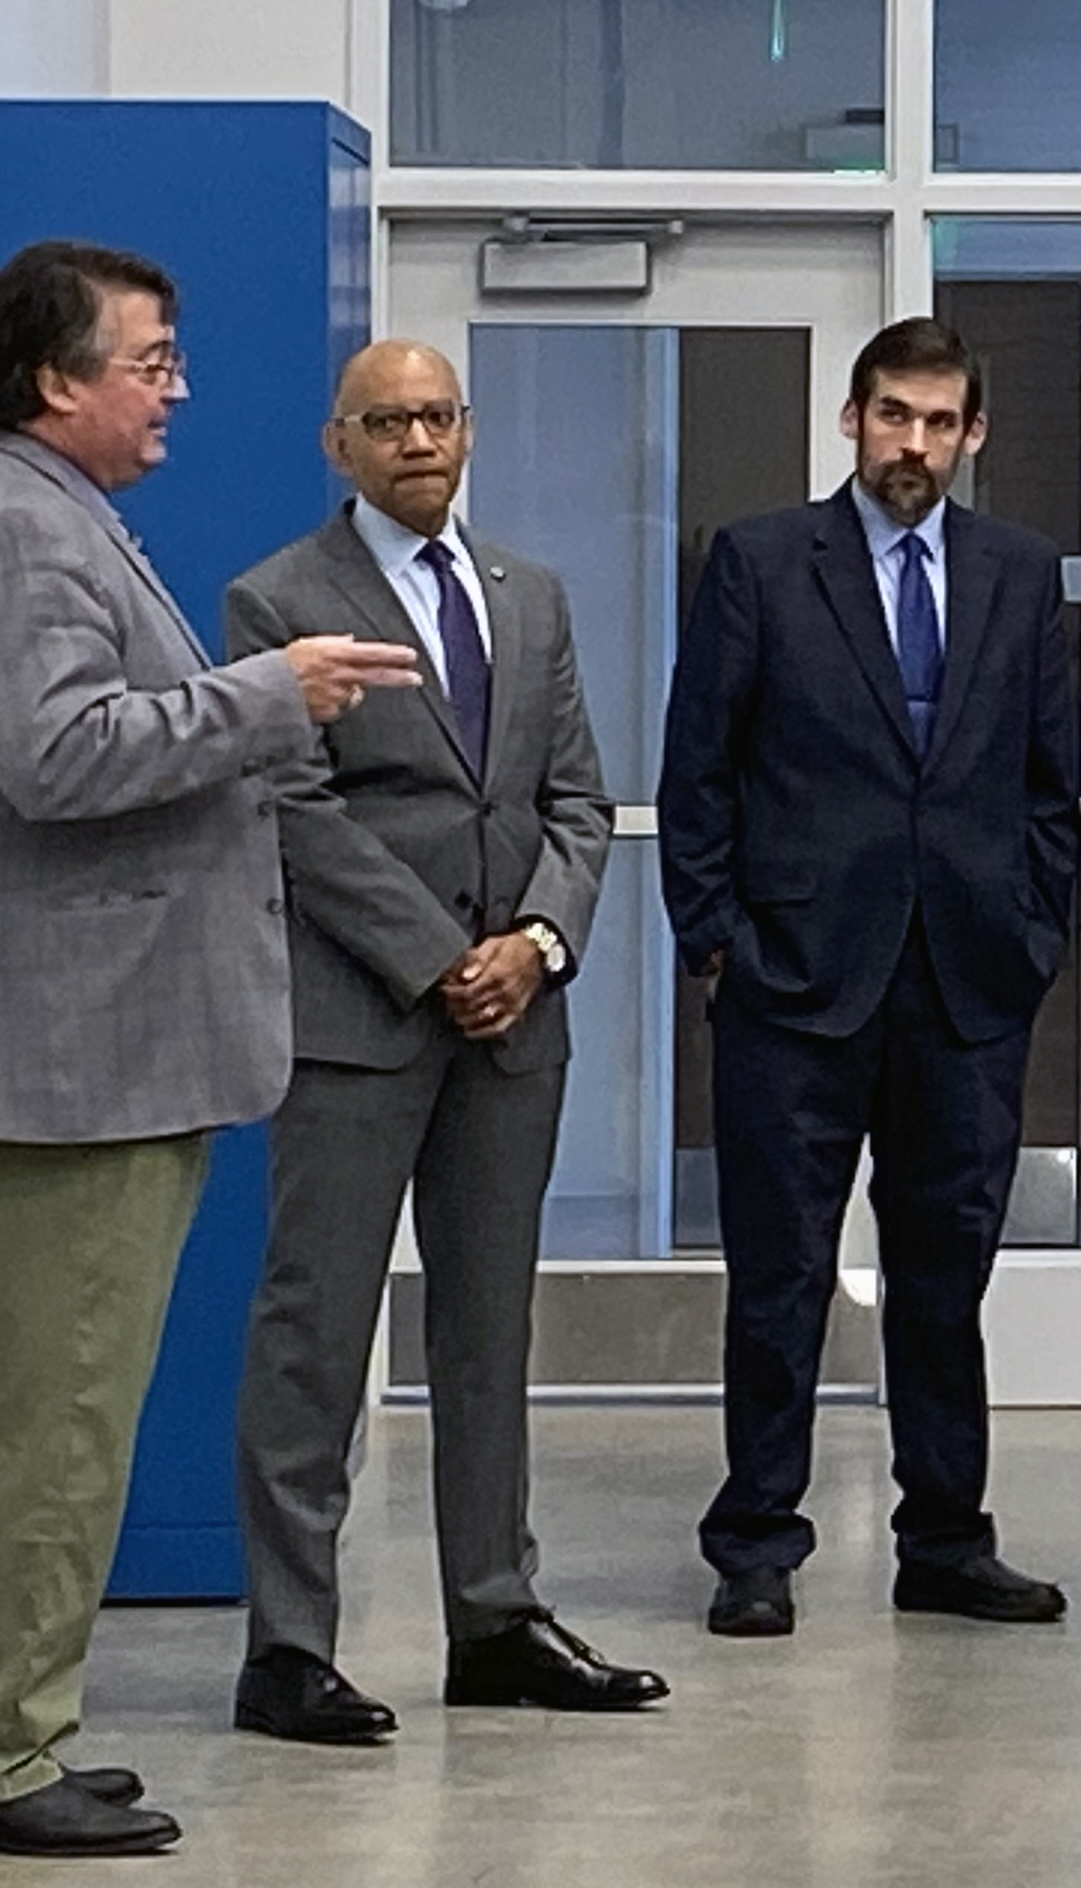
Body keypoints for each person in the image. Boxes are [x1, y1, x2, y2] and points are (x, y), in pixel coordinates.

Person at [0, 242, 421, 1856]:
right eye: (150, 363)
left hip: (9, 1040)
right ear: (54, 379)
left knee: (3, 1413)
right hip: (63, 1060)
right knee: (60, 1416)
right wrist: (272, 696)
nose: (176, 391)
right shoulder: (19, 527)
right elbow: (62, 752)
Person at [223, 341, 664, 1748]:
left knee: (488, 1332)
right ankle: (290, 1648)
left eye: (436, 414)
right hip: (364, 1024)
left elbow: (577, 800)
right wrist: (435, 956)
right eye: (384, 420)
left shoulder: (526, 595)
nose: (417, 437)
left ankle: (495, 1614)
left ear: (467, 429)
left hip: (514, 1028)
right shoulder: (278, 600)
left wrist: (533, 943)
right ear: (336, 444)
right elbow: (293, 804)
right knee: (316, 1334)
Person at [660, 317, 1081, 1640]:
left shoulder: (1016, 574)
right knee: (779, 1271)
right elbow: (698, 770)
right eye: (893, 414)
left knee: (944, 1271)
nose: (914, 442)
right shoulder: (762, 560)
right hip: (791, 976)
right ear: (851, 418)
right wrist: (715, 940)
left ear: (973, 435)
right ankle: (756, 1541)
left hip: (962, 982)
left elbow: (1045, 788)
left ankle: (946, 1537)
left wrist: (1031, 940)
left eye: (939, 420)